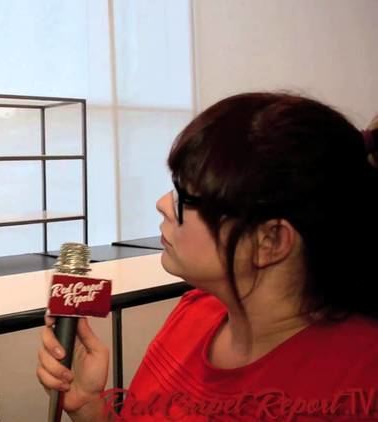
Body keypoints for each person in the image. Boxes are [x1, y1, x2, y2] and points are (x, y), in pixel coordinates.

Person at [37, 92, 378, 421]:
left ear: (270, 240)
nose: (162, 204)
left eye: (185, 197)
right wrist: (89, 408)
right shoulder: (195, 312)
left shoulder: (358, 382)